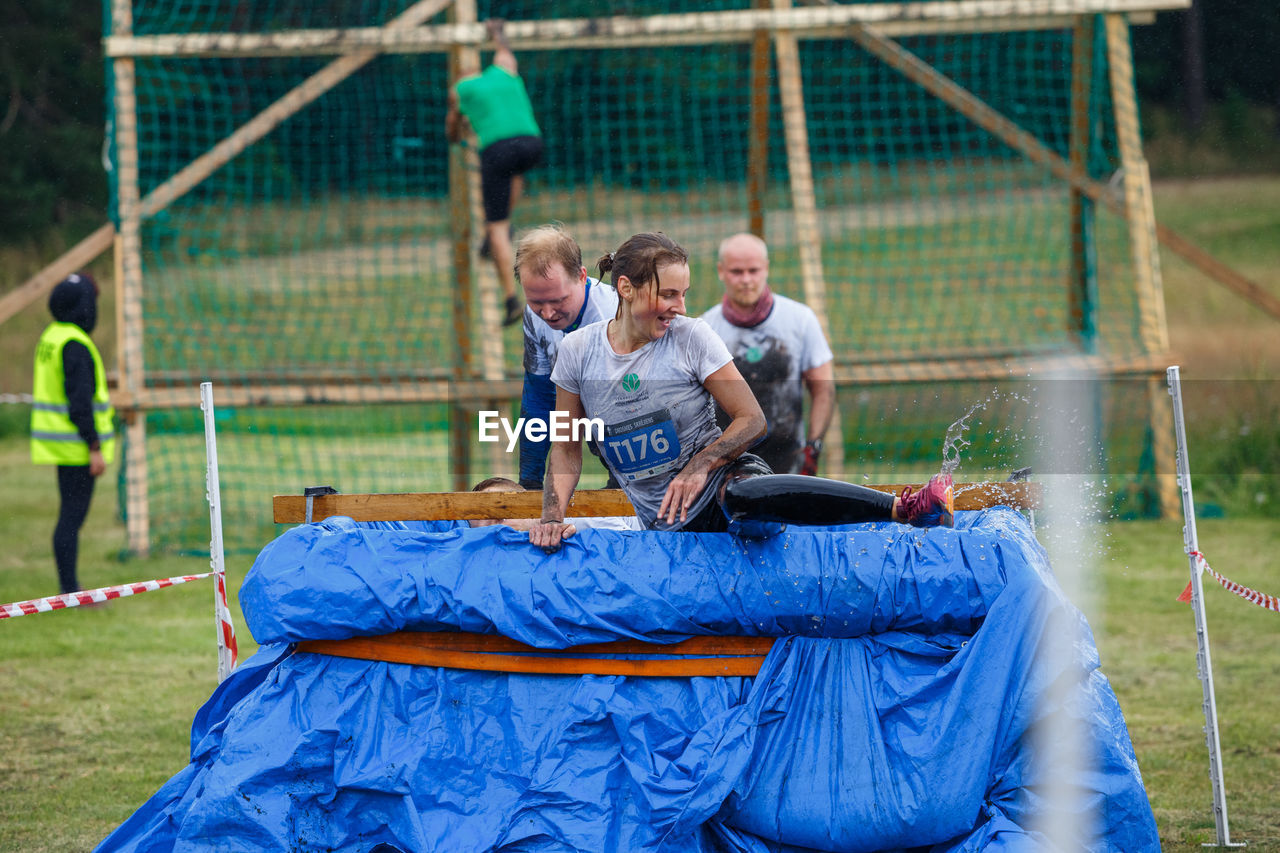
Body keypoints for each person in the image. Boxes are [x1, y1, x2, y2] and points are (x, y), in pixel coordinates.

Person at [528, 233, 953, 553]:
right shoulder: (578, 351)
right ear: (625, 288)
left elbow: (752, 420)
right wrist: (551, 517)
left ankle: (906, 509)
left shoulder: (692, 337)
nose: (680, 307)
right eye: (669, 294)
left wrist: (700, 466)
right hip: (668, 528)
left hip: (725, 485)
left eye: (684, 294)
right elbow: (565, 449)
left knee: (744, 499)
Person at [702, 232, 835, 476]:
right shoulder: (705, 329)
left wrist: (813, 448)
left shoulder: (799, 320)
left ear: (766, 269)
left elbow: (823, 388)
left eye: (753, 270)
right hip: (727, 467)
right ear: (721, 271)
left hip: (790, 462)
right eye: (736, 272)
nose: (746, 279)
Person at [446, 18, 543, 327]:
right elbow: (504, 48)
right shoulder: (503, 69)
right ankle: (497, 234)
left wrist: (459, 121)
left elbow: (451, 134)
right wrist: (497, 32)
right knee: (515, 171)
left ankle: (511, 299)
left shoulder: (461, 88)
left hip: (497, 150)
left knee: (497, 226)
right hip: (532, 144)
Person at [30, 273, 115, 596]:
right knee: (70, 520)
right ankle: (70, 590)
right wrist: (94, 446)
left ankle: (69, 587)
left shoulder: (52, 336)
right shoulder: (75, 344)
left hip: (61, 447)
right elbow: (79, 403)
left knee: (68, 517)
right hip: (77, 449)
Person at [516, 224, 619, 490]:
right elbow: (539, 398)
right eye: (536, 302)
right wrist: (529, 484)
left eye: (558, 300)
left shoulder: (613, 317)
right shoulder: (534, 316)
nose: (548, 314)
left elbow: (632, 409)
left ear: (582, 277)